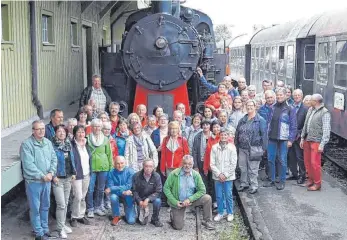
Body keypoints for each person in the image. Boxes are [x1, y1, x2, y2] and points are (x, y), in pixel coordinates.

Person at [20, 120, 57, 240]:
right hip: (34, 182)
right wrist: (42, 175)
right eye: (38, 129)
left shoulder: (47, 142)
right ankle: (38, 233)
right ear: (33, 131)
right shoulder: (27, 144)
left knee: (45, 206)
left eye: (43, 128)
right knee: (35, 208)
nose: (41, 131)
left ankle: (45, 229)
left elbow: (54, 159)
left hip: (47, 181)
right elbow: (28, 165)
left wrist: (51, 172)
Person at [163, 155, 215, 230]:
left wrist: (190, 199)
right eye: (185, 163)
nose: (187, 166)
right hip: (179, 202)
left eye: (190, 164)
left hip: (191, 201)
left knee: (207, 198)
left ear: (193, 164)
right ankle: (173, 215)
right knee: (178, 227)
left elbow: (202, 190)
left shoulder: (196, 175)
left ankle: (207, 221)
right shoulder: (174, 174)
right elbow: (166, 188)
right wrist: (175, 202)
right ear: (182, 163)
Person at [263, 87, 297, 190]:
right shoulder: (272, 108)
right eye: (277, 95)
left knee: (282, 160)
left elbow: (293, 126)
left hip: (284, 138)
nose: (279, 97)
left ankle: (282, 181)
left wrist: (291, 139)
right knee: (270, 159)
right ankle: (272, 180)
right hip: (272, 138)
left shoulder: (290, 109)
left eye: (281, 95)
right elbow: (268, 122)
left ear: (286, 96)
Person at [235, 100, 267, 194]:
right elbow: (237, 132)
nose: (249, 107)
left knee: (253, 168)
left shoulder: (260, 120)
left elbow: (264, 135)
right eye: (247, 105)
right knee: (242, 167)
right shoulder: (243, 119)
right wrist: (236, 143)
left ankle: (254, 185)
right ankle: (244, 183)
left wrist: (264, 148)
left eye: (251, 105)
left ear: (255, 106)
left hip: (254, 148)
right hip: (242, 148)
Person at [300, 94, 331, 191]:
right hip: (307, 139)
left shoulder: (325, 113)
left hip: (316, 141)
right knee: (307, 162)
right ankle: (310, 180)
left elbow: (326, 130)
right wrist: (302, 138)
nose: (309, 102)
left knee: (315, 163)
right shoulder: (310, 109)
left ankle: (317, 183)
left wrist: (322, 144)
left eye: (312, 100)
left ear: (317, 101)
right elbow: (306, 124)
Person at [51, 125, 76, 239]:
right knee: (60, 204)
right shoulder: (51, 146)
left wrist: (74, 173)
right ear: (55, 133)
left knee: (65, 203)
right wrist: (53, 175)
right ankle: (60, 229)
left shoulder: (68, 144)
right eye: (59, 131)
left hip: (68, 178)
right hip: (58, 179)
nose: (61, 133)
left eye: (63, 131)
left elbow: (72, 159)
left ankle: (62, 224)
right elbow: (49, 162)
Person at [86, 119, 113, 217]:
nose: (97, 128)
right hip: (91, 167)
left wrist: (111, 167)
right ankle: (90, 208)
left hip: (103, 167)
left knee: (101, 189)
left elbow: (109, 154)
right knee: (90, 189)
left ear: (101, 128)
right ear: (91, 127)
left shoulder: (106, 139)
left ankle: (97, 207)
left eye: (98, 126)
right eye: (94, 126)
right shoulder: (87, 138)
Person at [210, 128, 237, 222]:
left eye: (225, 135)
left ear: (228, 136)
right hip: (217, 177)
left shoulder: (232, 147)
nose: (223, 137)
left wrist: (225, 174)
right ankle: (221, 212)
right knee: (219, 196)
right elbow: (212, 163)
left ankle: (230, 212)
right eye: (222, 135)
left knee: (228, 195)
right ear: (219, 136)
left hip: (228, 177)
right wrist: (219, 174)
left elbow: (233, 164)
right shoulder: (214, 147)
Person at [132, 159, 163, 227]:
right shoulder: (136, 176)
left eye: (150, 166)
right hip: (140, 198)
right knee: (142, 223)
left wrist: (148, 199)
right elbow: (134, 191)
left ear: (153, 167)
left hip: (151, 197)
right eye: (146, 166)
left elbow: (159, 191)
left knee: (158, 201)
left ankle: (155, 219)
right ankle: (140, 215)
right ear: (143, 166)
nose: (148, 168)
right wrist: (139, 201)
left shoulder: (157, 176)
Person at [105, 156, 136, 225]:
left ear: (125, 163)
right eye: (117, 163)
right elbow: (110, 187)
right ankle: (116, 216)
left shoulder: (130, 171)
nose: (120, 165)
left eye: (122, 163)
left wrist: (113, 188)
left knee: (131, 221)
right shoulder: (111, 172)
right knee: (113, 197)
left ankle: (130, 211)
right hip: (117, 194)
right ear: (114, 164)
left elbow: (128, 186)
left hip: (128, 195)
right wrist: (122, 191)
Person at [70, 125, 91, 227]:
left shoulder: (86, 144)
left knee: (83, 196)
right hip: (77, 174)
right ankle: (74, 216)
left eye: (83, 132)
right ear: (74, 134)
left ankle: (81, 215)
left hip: (86, 173)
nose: (81, 134)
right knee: (77, 196)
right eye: (78, 132)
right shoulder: (72, 145)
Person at [287, 89, 308, 184]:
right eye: (295, 95)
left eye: (298, 95)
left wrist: (299, 133)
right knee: (291, 156)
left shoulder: (305, 109)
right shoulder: (290, 107)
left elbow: (306, 124)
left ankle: (302, 175)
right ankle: (294, 174)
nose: (296, 97)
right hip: (290, 136)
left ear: (302, 96)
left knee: (300, 157)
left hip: (300, 137)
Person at [192, 120, 212, 185]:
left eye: (207, 124)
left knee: (212, 182)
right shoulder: (197, 136)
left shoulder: (213, 136)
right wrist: (195, 166)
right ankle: (204, 195)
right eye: (203, 125)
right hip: (201, 162)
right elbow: (194, 152)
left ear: (210, 126)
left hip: (212, 162)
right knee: (203, 182)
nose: (205, 126)